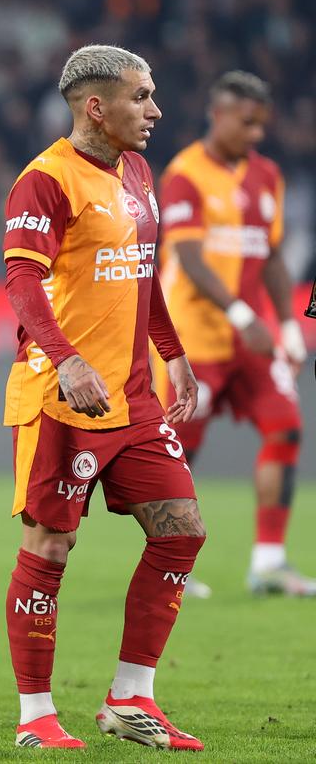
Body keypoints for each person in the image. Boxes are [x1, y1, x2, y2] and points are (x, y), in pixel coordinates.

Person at [0, 45, 205, 750]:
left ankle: (131, 698)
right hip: (62, 400)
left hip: (134, 397)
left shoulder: (139, 171)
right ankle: (35, 715)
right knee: (50, 547)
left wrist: (174, 356)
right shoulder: (45, 181)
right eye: (141, 96)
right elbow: (23, 283)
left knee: (182, 528)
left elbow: (142, 276)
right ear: (97, 105)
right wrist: (66, 361)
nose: (155, 110)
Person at [155, 71, 314, 597]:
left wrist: (290, 322)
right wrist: (247, 318)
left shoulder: (267, 175)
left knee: (286, 427)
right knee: (179, 454)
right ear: (217, 115)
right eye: (247, 123)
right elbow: (191, 261)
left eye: (261, 125)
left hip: (251, 337)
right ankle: (170, 567)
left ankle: (267, 563)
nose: (255, 135)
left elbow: (270, 255)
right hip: (193, 338)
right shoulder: (184, 174)